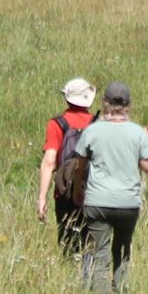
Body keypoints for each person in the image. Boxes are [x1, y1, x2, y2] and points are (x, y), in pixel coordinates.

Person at [76, 80, 148, 294]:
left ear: (105, 103)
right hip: (128, 202)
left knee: (100, 253)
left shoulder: (92, 131)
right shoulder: (138, 133)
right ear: (128, 105)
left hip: (97, 201)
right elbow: (147, 166)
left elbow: (80, 166)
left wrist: (77, 191)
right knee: (122, 250)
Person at [37, 77, 97, 254]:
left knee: (68, 247)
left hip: (64, 192)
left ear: (67, 98)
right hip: (94, 191)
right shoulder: (98, 124)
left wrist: (42, 197)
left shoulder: (57, 124)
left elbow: (49, 161)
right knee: (92, 247)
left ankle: (70, 267)